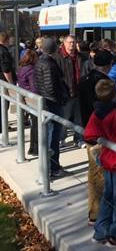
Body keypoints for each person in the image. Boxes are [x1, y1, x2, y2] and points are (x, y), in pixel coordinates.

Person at [84, 79, 116, 248]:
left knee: (108, 198)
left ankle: (101, 231)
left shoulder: (97, 112)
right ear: (115, 94)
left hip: (106, 161)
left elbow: (89, 134)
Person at [77, 50, 113, 226]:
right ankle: (97, 214)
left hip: (88, 132)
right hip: (100, 136)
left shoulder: (83, 80)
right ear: (109, 65)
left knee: (93, 173)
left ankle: (94, 211)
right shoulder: (104, 84)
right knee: (100, 175)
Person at [34, 38, 69, 178]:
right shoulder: (48, 64)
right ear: (54, 49)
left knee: (50, 136)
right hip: (52, 104)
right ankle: (52, 168)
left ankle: (51, 166)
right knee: (53, 136)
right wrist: (61, 97)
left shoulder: (41, 61)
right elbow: (50, 87)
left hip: (48, 102)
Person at [54, 34, 85, 148]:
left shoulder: (81, 56)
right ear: (64, 43)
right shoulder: (58, 57)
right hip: (65, 91)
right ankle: (61, 138)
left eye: (73, 42)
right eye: (69, 42)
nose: (71, 44)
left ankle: (79, 139)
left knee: (79, 117)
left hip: (79, 91)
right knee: (64, 117)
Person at [17, 49, 39, 156]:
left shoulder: (21, 69)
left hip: (26, 99)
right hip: (33, 101)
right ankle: (35, 148)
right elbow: (34, 88)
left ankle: (32, 148)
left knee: (33, 124)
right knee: (36, 124)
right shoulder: (32, 70)